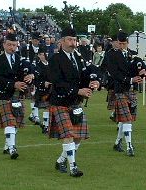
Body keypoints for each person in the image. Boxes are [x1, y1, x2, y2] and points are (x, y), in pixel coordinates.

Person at [48, 25, 100, 177]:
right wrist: (78, 90)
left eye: (74, 40)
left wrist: (93, 82)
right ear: (62, 42)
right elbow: (57, 82)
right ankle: (73, 167)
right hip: (60, 102)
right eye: (69, 40)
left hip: (75, 103)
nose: (72, 43)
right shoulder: (55, 59)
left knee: (78, 137)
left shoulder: (78, 57)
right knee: (69, 135)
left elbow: (85, 75)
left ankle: (61, 160)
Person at [0, 33, 35, 159]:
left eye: (14, 45)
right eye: (9, 45)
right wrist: (13, 84)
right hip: (5, 94)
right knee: (10, 122)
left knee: (15, 122)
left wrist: (31, 76)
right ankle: (12, 148)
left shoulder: (21, 60)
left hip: (19, 95)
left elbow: (32, 70)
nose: (12, 47)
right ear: (4, 45)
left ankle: (7, 145)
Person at [107, 31, 146, 157]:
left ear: (127, 43)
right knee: (127, 119)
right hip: (120, 90)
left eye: (124, 44)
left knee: (126, 119)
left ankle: (118, 142)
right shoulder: (111, 55)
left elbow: (143, 67)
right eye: (119, 43)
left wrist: (144, 72)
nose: (121, 46)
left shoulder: (133, 55)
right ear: (116, 42)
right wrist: (130, 79)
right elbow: (115, 74)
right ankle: (129, 146)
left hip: (132, 91)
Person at [34, 45, 51, 134]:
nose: (41, 56)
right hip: (42, 90)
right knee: (46, 108)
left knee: (49, 108)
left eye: (43, 54)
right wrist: (43, 83)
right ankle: (45, 126)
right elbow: (36, 80)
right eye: (40, 54)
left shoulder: (50, 64)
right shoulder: (37, 66)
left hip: (51, 90)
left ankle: (46, 125)